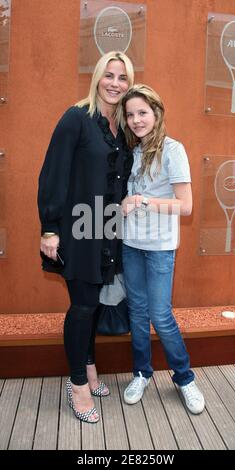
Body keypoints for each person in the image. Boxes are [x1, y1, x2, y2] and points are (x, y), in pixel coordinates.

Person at [38, 51, 134, 423]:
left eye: (122, 77)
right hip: (79, 229)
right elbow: (53, 174)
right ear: (96, 78)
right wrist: (50, 227)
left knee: (96, 303)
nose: (115, 83)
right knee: (82, 306)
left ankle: (90, 366)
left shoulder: (121, 127)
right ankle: (77, 384)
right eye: (108, 75)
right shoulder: (76, 118)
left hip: (108, 229)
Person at [120, 84, 205, 414]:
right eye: (130, 114)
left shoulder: (173, 150)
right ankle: (142, 373)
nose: (136, 120)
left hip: (159, 248)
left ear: (156, 113)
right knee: (138, 315)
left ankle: (184, 378)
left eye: (142, 112)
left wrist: (141, 200)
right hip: (130, 244)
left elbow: (185, 207)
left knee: (160, 315)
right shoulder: (131, 150)